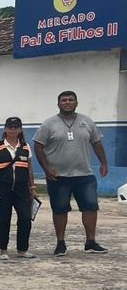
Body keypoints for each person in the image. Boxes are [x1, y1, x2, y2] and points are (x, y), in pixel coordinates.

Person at [33, 90, 109, 256]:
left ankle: (91, 242)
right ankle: (60, 243)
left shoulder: (87, 121)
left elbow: (97, 143)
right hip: (58, 176)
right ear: (58, 104)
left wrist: (104, 162)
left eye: (71, 100)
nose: (67, 102)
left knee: (90, 207)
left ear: (76, 103)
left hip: (84, 175)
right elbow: (38, 146)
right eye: (64, 100)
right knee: (60, 209)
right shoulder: (49, 124)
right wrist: (46, 168)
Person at [0, 117, 37, 260]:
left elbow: (29, 169)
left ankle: (22, 250)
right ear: (5, 129)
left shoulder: (26, 147)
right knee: (3, 219)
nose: (13, 129)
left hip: (22, 189)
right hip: (2, 188)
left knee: (25, 218)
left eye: (16, 127)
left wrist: (32, 187)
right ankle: (3, 250)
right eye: (10, 127)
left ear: (20, 129)